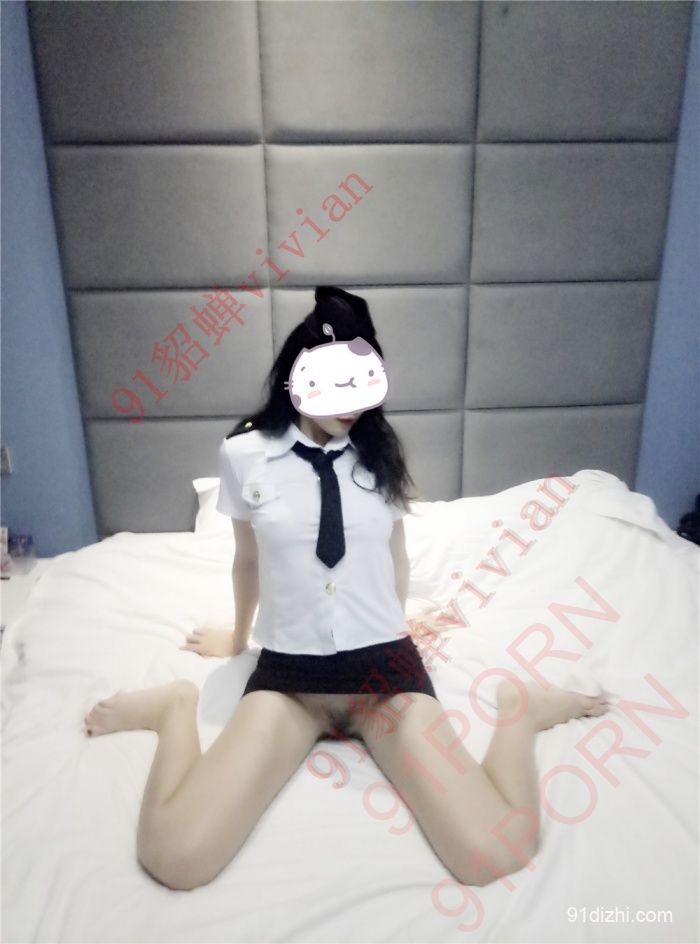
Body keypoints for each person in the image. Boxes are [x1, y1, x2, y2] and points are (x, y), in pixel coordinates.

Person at [82, 286, 611, 893]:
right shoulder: (244, 453)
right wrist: (238, 638)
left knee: (494, 852)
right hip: (291, 680)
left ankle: (522, 713)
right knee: (175, 856)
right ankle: (173, 708)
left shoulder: (380, 454)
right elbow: (247, 560)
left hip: (384, 676)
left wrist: (398, 619)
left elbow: (393, 556)